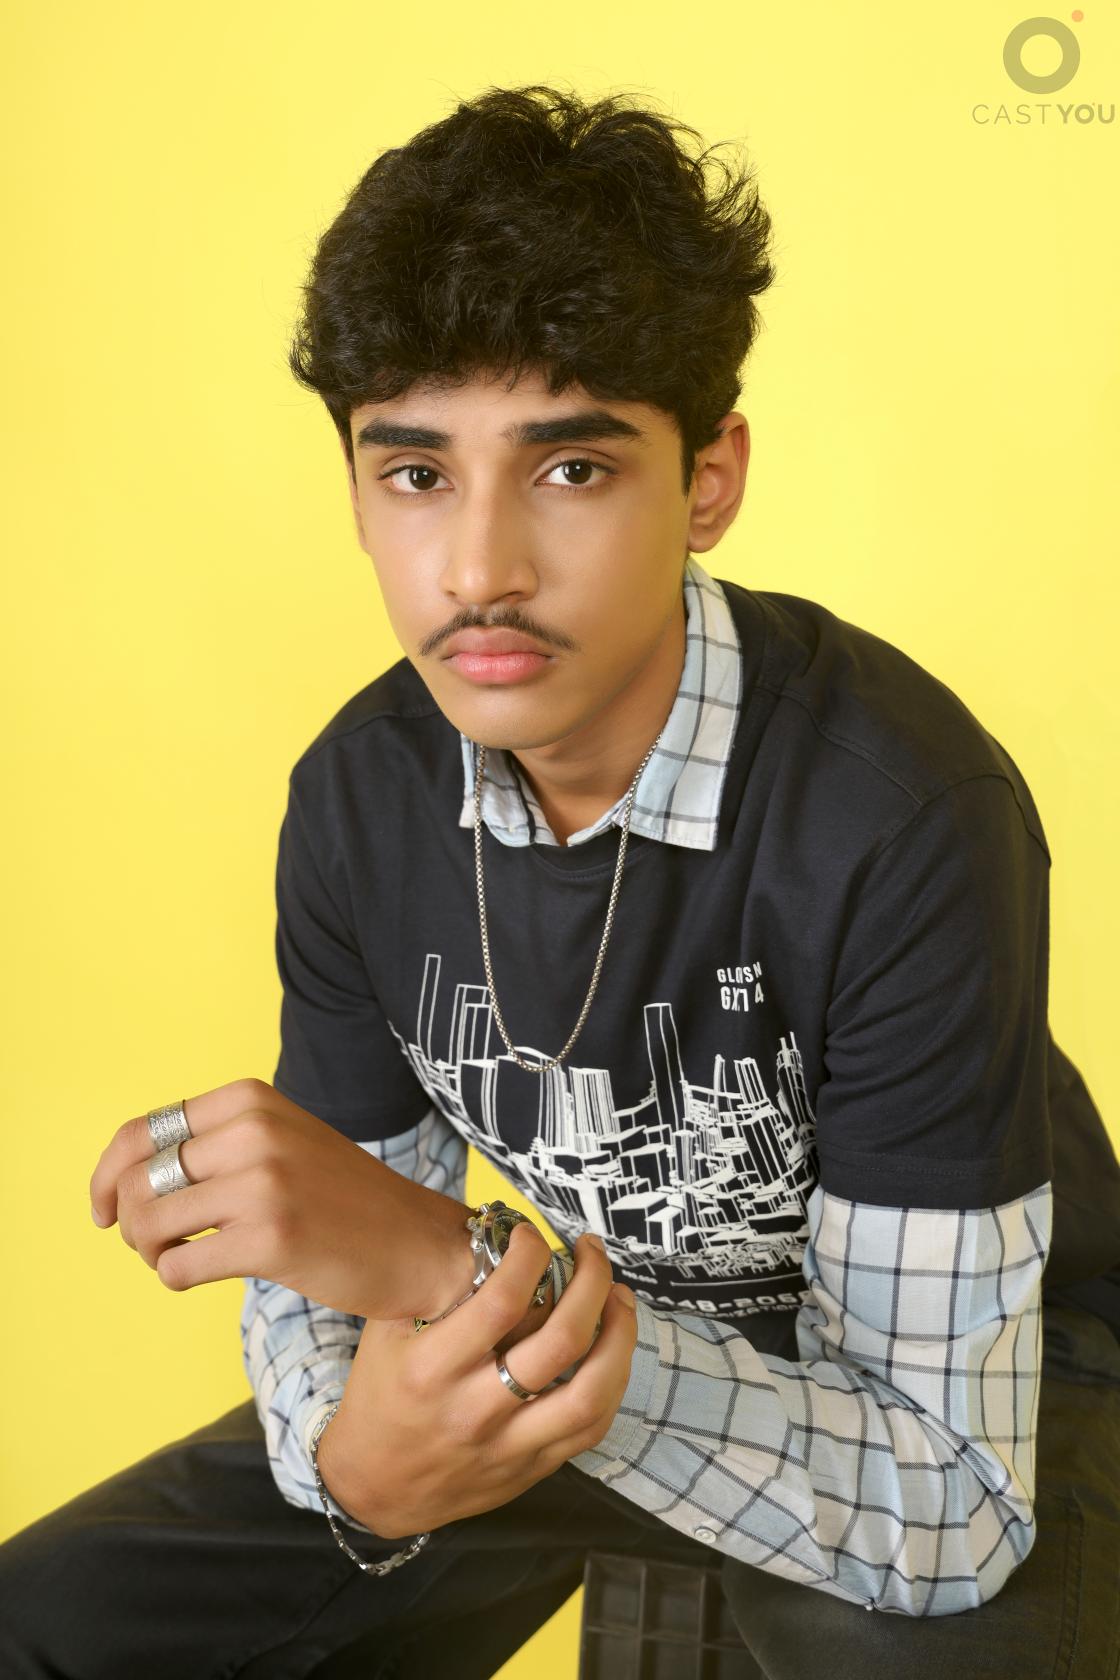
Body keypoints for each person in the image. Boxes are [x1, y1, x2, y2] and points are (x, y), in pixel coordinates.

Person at [3, 82, 1119, 1680]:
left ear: (709, 480)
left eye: (573, 470)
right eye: (414, 474)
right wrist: (351, 1467)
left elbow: (950, 1506)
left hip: (931, 1420)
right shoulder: (361, 797)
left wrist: (452, 1275)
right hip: (559, 1347)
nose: (479, 570)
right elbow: (330, 1284)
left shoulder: (901, 812)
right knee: (43, 1629)